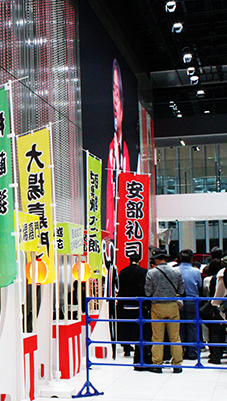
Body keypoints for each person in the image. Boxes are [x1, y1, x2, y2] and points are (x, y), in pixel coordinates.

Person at [145, 248, 185, 373]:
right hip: (172, 305)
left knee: (157, 337)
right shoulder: (176, 272)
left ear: (156, 260)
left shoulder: (151, 273)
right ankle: (177, 364)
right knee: (175, 337)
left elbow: (148, 292)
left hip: (157, 306)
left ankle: (157, 364)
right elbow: (181, 290)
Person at [105, 59, 130, 234]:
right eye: (113, 91)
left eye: (117, 92)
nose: (115, 100)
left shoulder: (127, 153)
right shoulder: (110, 149)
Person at [117, 254, 151, 369]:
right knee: (139, 328)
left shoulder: (122, 272)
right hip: (140, 303)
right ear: (139, 260)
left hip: (125, 302)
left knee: (126, 326)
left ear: (129, 260)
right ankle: (139, 347)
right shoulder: (144, 272)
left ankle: (126, 348)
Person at [176, 249, 203, 359]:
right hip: (193, 300)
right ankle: (192, 352)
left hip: (178, 301)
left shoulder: (175, 270)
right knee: (192, 326)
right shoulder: (196, 271)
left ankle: (181, 351)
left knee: (180, 326)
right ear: (191, 259)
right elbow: (199, 285)